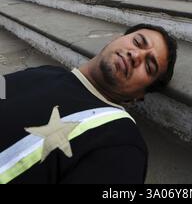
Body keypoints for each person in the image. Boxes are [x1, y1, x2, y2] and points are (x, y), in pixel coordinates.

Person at [0, 24, 177, 184]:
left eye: (149, 67)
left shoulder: (122, 142)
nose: (136, 55)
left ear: (139, 96)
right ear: (116, 39)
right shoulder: (45, 72)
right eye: (137, 42)